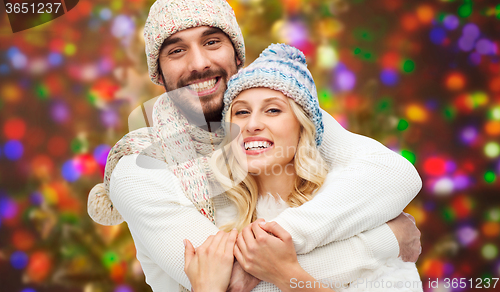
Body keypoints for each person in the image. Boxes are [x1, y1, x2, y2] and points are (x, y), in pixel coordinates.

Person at [86, 0, 423, 291]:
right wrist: (388, 238)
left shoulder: (282, 111)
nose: (199, 63)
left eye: (213, 41)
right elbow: (234, 283)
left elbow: (395, 175)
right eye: (176, 50)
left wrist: (275, 245)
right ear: (159, 72)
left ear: (237, 54)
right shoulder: (138, 168)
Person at [183, 44, 422, 292]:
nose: (252, 124)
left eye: (273, 110)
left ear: (303, 128)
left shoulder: (354, 210)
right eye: (241, 112)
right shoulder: (214, 225)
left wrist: (287, 274)